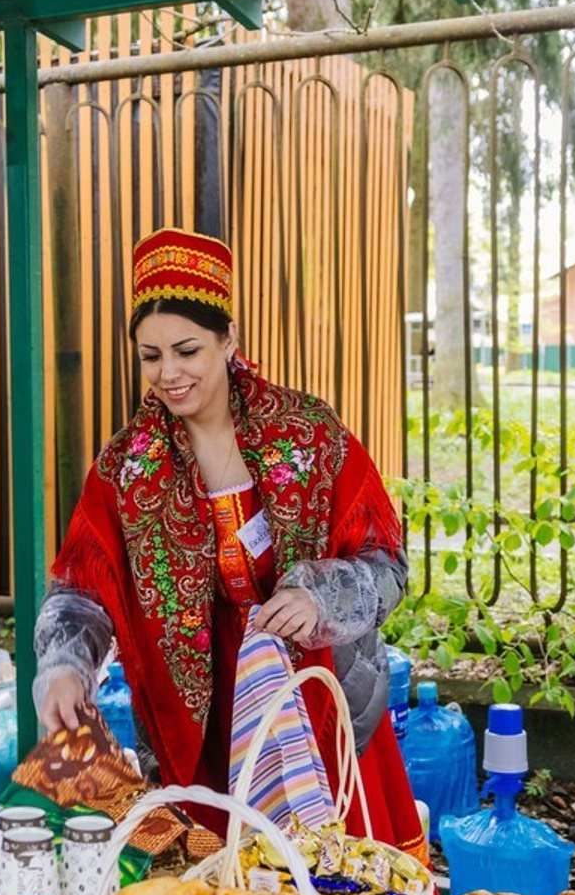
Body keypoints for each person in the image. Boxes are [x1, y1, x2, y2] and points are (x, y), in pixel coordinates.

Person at [33, 228, 422, 854]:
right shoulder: (129, 469)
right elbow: (80, 588)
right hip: (201, 727)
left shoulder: (309, 436)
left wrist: (321, 599)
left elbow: (388, 564)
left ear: (229, 340)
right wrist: (64, 666)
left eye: (187, 350)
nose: (170, 374)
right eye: (150, 356)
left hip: (318, 697)